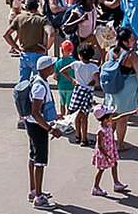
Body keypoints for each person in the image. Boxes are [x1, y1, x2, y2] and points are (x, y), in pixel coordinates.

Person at [21, 55, 61, 207]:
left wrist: (54, 116)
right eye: (52, 65)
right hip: (37, 127)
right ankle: (38, 197)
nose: (53, 67)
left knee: (33, 157)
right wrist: (51, 129)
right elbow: (35, 113)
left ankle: (34, 190)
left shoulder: (39, 81)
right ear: (45, 69)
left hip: (34, 125)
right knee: (40, 161)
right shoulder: (39, 86)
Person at [90, 104, 130, 198]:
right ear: (105, 118)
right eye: (110, 114)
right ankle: (95, 187)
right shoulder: (101, 131)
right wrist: (106, 155)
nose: (112, 115)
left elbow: (120, 117)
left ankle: (116, 183)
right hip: (104, 153)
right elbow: (99, 145)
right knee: (101, 170)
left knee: (115, 164)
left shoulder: (109, 123)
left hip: (110, 150)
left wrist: (131, 112)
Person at [66, 43, 100, 145]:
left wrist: (72, 79)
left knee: (77, 116)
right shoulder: (93, 67)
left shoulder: (76, 64)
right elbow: (97, 81)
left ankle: (77, 136)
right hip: (87, 93)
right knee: (84, 117)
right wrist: (93, 82)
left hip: (77, 91)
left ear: (79, 55)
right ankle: (84, 139)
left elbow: (62, 71)